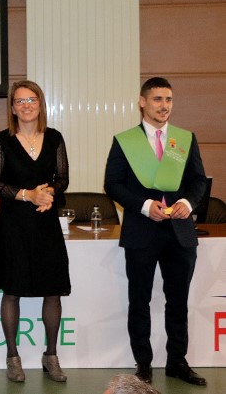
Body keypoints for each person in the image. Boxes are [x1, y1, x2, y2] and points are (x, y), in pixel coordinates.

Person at [104, 77, 208, 387]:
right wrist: (145, 204)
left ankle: (177, 361)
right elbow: (112, 184)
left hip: (179, 231)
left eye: (169, 100)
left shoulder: (184, 139)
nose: (164, 106)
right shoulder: (125, 141)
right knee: (140, 301)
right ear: (142, 102)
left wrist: (188, 202)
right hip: (141, 230)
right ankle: (144, 365)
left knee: (178, 301)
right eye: (157, 99)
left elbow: (198, 181)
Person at [0, 80, 70, 383]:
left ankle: (51, 355)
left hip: (46, 223)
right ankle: (13, 356)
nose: (26, 105)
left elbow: (62, 178)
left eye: (31, 99)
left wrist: (47, 193)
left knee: (53, 290)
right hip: (14, 225)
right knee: (12, 291)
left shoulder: (55, 138)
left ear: (40, 104)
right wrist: (26, 194)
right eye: (19, 101)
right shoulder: (2, 140)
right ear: (12, 108)